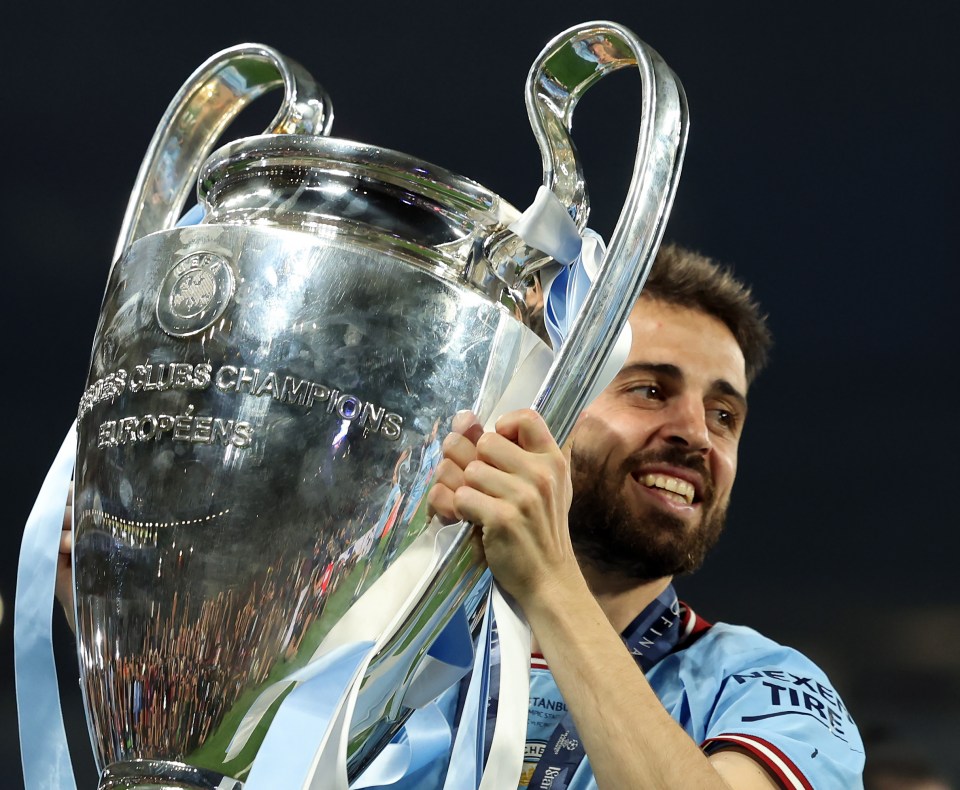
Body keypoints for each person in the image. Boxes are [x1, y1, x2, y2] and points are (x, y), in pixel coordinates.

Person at [424, 243, 866, 788]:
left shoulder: (764, 686)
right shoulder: (401, 651)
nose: (698, 435)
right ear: (532, 404)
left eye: (724, 415)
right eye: (651, 390)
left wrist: (548, 579)